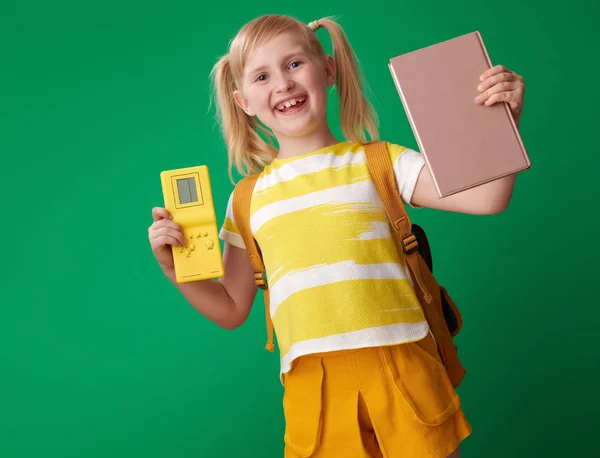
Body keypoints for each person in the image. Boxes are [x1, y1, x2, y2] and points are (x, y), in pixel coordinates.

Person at [148, 14, 525, 458]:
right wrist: (178, 272)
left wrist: (502, 121)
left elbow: (489, 198)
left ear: (327, 70)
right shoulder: (247, 200)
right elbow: (232, 310)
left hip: (403, 368)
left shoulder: (382, 162)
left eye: (294, 64)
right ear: (243, 100)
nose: (283, 84)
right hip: (315, 390)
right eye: (263, 76)